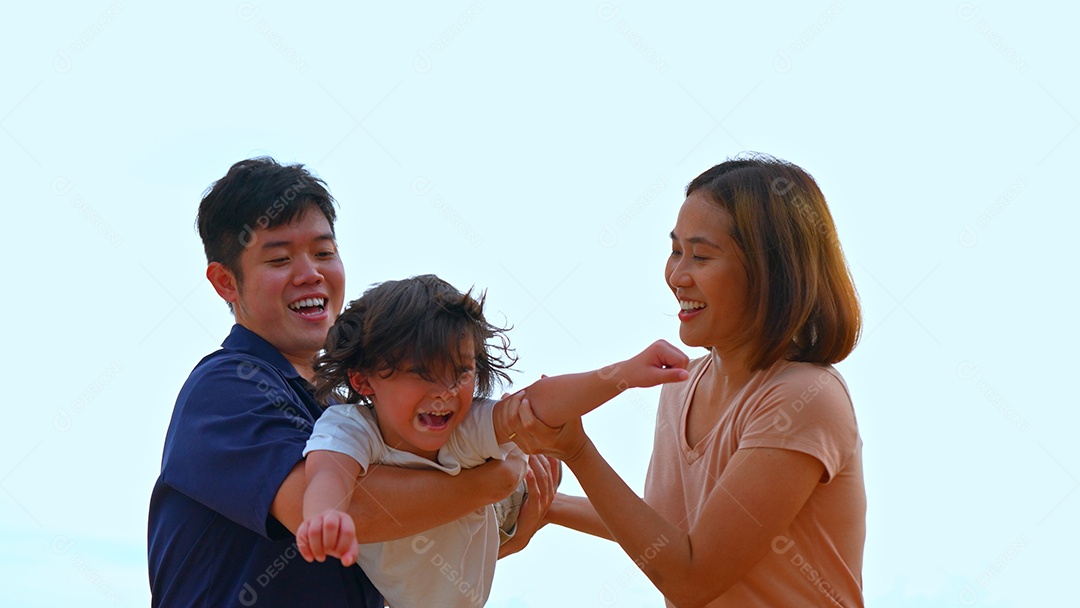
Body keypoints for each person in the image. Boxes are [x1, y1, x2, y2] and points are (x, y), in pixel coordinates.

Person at [147, 157, 556, 608]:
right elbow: (342, 511)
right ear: (226, 282)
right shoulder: (225, 387)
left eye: (324, 252)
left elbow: (400, 538)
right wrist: (489, 486)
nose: (311, 274)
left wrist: (502, 534)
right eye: (280, 258)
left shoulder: (349, 410)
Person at [510, 155, 866, 607]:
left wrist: (575, 450)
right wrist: (547, 506)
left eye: (701, 256)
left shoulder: (803, 398)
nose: (677, 276)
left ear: (770, 273)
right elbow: (667, 532)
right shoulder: (681, 385)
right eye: (675, 250)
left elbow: (692, 577)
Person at [296, 274, 690, 608]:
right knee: (530, 495)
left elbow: (536, 403)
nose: (446, 392)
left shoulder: (463, 425)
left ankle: (666, 529)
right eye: (422, 373)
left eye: (461, 372)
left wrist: (624, 373)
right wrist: (323, 515)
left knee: (534, 486)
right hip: (461, 538)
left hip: (498, 507)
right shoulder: (351, 427)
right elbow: (329, 472)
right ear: (363, 380)